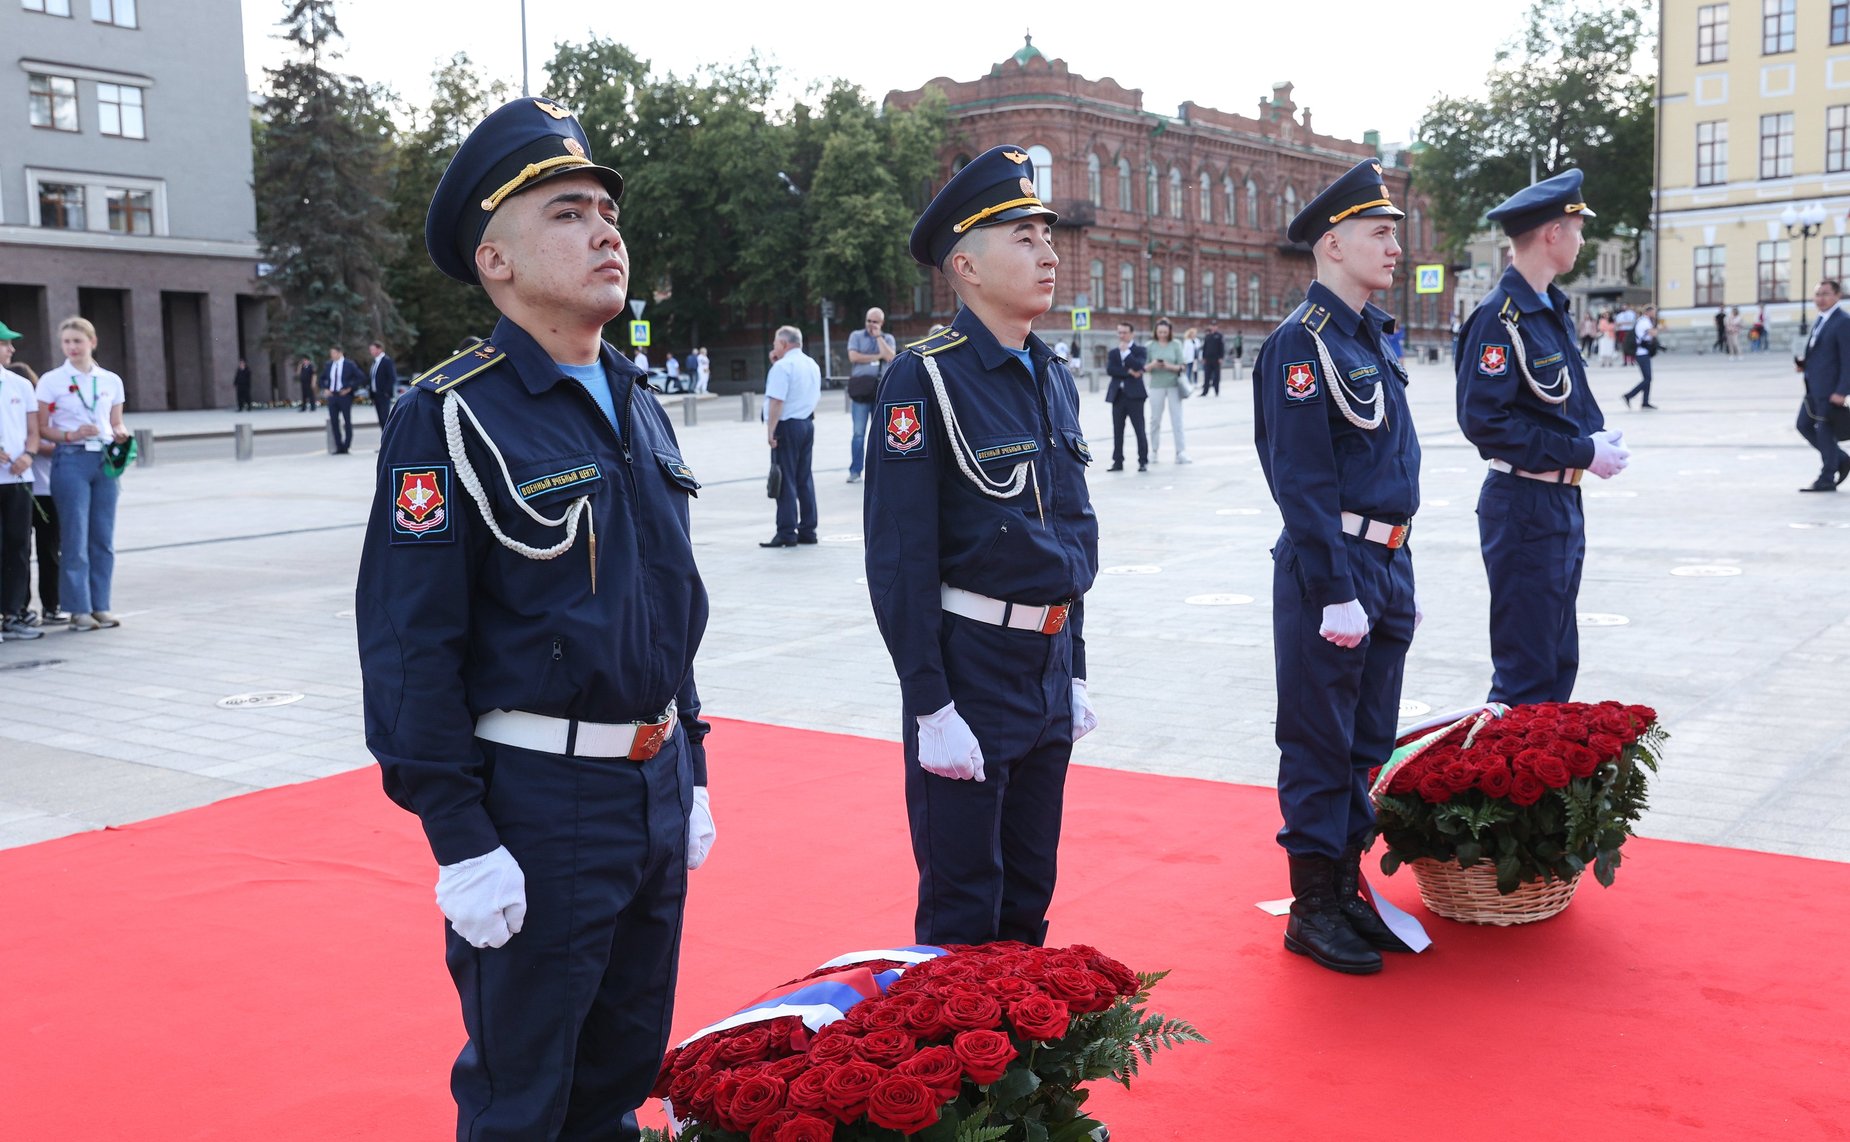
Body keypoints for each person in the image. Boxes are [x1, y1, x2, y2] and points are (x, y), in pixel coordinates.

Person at [356, 95, 714, 1141]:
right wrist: (460, 837)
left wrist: (693, 759)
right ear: (496, 261)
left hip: (650, 783)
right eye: (567, 212)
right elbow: (410, 645)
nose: (605, 230)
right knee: (524, 1095)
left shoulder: (636, 398)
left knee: (617, 1075)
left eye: (608, 211)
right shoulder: (448, 412)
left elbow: (667, 598)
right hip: (538, 802)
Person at [864, 143, 1100, 947]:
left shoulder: (1053, 373)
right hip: (970, 668)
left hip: (1046, 666)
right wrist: (929, 704)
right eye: (1023, 237)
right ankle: (956, 1071)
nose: (1048, 251)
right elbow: (899, 560)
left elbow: (1068, 537)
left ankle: (1020, 1064)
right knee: (965, 903)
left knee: (1030, 890)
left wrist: (1075, 668)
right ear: (964, 264)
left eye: (1047, 234)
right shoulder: (924, 379)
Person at [1252, 158, 1422, 976]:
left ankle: (1346, 888)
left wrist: (1398, 574)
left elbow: (1386, 462)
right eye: (1380, 233)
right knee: (1321, 742)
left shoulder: (1372, 337)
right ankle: (1311, 907)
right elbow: (1301, 478)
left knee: (1365, 741)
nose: (1396, 246)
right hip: (1336, 570)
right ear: (1333, 243)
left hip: (1386, 562)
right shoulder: (1300, 344)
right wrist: (1334, 588)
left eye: (1395, 232)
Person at [1456, 169, 1629, 706]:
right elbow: (1484, 423)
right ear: (1553, 233)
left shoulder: (1547, 307)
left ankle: (1540, 789)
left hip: (1557, 498)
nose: (1582, 239)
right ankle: (1505, 787)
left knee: (1558, 661)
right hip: (1524, 502)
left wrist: (1594, 437)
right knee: (1526, 670)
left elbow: (1560, 400)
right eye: (1577, 228)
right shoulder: (1499, 318)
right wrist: (1583, 451)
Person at [35, 316, 131, 633]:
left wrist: (120, 432)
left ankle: (100, 605)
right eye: (67, 342)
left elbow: (116, 421)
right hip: (71, 458)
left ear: (93, 342)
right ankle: (78, 609)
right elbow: (43, 428)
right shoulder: (51, 380)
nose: (72, 347)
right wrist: (70, 435)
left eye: (78, 341)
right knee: (75, 536)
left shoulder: (110, 380)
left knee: (102, 537)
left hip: (103, 460)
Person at [762, 325, 820, 547]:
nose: (774, 347)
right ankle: (808, 529)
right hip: (806, 423)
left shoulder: (782, 367)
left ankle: (786, 532)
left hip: (786, 426)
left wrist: (771, 430)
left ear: (784, 344)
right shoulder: (811, 364)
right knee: (804, 478)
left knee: (785, 479)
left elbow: (777, 400)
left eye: (776, 343)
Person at [0, 345, 41, 641]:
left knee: (18, 546)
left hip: (18, 478)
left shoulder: (21, 384)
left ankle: (13, 614)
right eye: (3, 343)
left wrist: (29, 453)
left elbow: (34, 430)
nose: (11, 348)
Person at [1795, 279, 1850, 493]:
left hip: (1830, 391)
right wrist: (1804, 364)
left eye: (1826, 294)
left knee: (1825, 432)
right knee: (1803, 424)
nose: (1820, 299)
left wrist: (1842, 390)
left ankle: (1826, 478)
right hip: (1814, 388)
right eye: (1817, 294)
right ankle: (1841, 459)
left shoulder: (1843, 321)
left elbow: (1848, 359)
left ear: (1838, 296)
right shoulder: (1821, 319)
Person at [846, 307, 896, 484]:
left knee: (881, 433)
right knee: (858, 433)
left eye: (875, 322)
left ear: (881, 323)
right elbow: (853, 357)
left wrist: (878, 338)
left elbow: (891, 357)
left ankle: (881, 471)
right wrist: (877, 355)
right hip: (860, 392)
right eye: (869, 321)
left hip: (880, 391)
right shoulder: (856, 336)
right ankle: (855, 471)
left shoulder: (887, 338)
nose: (871, 325)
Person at [1144, 318, 1191, 463]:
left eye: (1165, 332)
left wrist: (1168, 366)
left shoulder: (1176, 344)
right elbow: (1144, 367)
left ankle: (1180, 452)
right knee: (1155, 420)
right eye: (1160, 332)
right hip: (1156, 385)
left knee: (1177, 419)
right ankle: (1153, 451)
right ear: (1155, 332)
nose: (1162, 335)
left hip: (1174, 386)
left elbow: (1183, 366)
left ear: (1170, 332)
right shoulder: (1150, 345)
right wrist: (1153, 364)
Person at [1105, 321, 1148, 471]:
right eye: (1120, 332)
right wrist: (1128, 372)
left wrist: (1127, 354)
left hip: (1135, 396)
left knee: (1139, 429)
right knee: (1117, 430)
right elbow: (1111, 370)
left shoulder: (1139, 350)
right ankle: (1118, 461)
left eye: (1124, 332)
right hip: (1118, 395)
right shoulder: (1113, 352)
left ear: (1132, 334)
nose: (1122, 335)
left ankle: (1143, 460)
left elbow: (1139, 365)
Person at [321, 345, 362, 453]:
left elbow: (360, 377)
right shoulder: (329, 365)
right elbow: (322, 378)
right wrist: (325, 388)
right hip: (332, 396)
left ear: (340, 353)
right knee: (334, 421)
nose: (332, 355)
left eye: (333, 353)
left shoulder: (349, 364)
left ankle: (346, 446)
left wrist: (349, 388)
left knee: (347, 421)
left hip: (344, 396)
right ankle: (338, 446)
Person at [1624, 304, 1659, 409]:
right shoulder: (1644, 322)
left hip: (1643, 353)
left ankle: (1645, 402)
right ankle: (1629, 395)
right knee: (1648, 378)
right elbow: (1652, 333)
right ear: (1648, 312)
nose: (1655, 314)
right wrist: (1659, 329)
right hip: (1641, 353)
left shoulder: (1643, 321)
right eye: (1653, 312)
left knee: (1647, 378)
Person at [367, 340, 398, 425]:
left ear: (379, 349)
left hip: (383, 395)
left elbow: (392, 378)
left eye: (372, 349)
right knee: (380, 418)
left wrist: (386, 392)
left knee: (385, 418)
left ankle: (388, 437)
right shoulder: (375, 362)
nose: (371, 351)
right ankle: (383, 437)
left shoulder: (386, 361)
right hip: (376, 394)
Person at [1200, 320, 1226, 396]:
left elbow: (1222, 347)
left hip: (1216, 359)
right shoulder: (1207, 336)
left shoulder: (1219, 336)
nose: (1213, 327)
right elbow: (1205, 347)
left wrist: (1221, 357)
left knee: (1216, 376)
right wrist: (1203, 357)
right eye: (1212, 326)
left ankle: (1216, 391)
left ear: (1217, 327)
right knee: (1206, 376)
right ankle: (1205, 391)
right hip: (1208, 359)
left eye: (1215, 326)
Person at [1615, 302, 1637, 366]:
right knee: (1624, 346)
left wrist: (1623, 323)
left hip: (1629, 331)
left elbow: (1632, 322)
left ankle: (1632, 360)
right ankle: (1625, 361)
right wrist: (1624, 323)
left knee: (1631, 346)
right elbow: (1617, 323)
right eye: (1623, 306)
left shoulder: (1631, 313)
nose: (1624, 307)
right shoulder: (1619, 315)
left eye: (1625, 306)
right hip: (1622, 331)